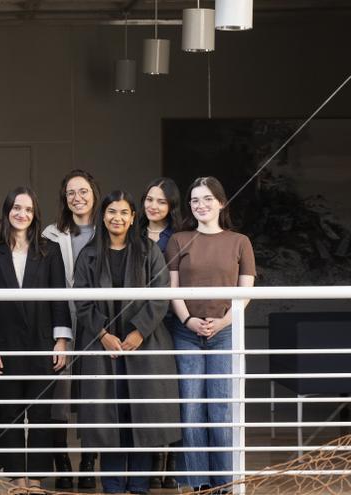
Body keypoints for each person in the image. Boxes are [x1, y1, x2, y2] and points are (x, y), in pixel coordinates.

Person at [74, 190, 181, 495]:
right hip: (103, 348)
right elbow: (81, 300)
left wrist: (138, 332)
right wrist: (103, 335)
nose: (117, 218)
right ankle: (112, 486)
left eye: (124, 212)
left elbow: (160, 296)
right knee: (108, 417)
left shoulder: (148, 250)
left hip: (143, 345)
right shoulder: (89, 254)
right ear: (102, 215)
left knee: (141, 415)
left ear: (133, 217)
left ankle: (138, 486)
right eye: (111, 211)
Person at [0, 187, 73, 493]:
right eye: (17, 208)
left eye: (28, 209)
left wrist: (61, 340)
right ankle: (18, 478)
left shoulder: (49, 250)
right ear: (7, 211)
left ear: (35, 215)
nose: (22, 214)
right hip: (5, 345)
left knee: (41, 414)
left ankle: (36, 479)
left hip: (42, 343)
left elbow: (59, 297)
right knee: (10, 414)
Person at [166, 176, 255, 492]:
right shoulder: (178, 240)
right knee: (191, 406)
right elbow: (172, 289)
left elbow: (245, 293)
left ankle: (225, 482)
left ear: (221, 202)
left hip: (225, 332)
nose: (200, 205)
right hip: (186, 332)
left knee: (221, 406)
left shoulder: (240, 241)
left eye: (207, 199)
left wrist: (223, 322)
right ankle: (199, 483)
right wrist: (188, 319)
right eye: (194, 200)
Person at [41, 169, 101, 489]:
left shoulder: (106, 229)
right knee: (59, 395)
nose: (78, 198)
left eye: (83, 191)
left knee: (94, 392)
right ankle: (62, 461)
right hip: (60, 321)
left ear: (94, 193)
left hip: (97, 321)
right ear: (64, 199)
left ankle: (89, 461)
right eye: (71, 193)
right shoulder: (51, 233)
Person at [138, 177, 183, 490]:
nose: (153, 206)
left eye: (161, 201)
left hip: (171, 321)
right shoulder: (133, 233)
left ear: (171, 206)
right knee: (149, 393)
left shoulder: (178, 237)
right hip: (141, 323)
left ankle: (174, 462)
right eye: (150, 199)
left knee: (174, 393)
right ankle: (154, 459)